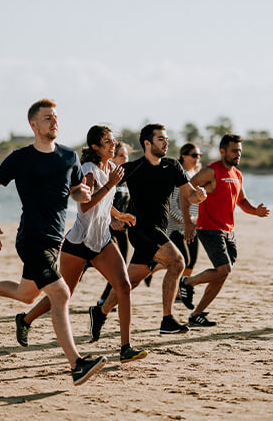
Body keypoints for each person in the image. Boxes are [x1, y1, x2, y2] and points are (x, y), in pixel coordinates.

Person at [0, 98, 106, 386]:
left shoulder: (69, 156)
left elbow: (77, 190)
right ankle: (77, 364)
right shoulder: (20, 158)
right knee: (61, 294)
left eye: (55, 117)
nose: (54, 121)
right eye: (48, 118)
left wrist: (83, 195)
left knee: (26, 295)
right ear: (34, 125)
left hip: (54, 240)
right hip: (31, 239)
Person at [14, 126, 148, 364]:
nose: (113, 144)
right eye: (107, 142)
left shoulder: (111, 169)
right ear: (96, 147)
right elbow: (85, 206)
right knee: (64, 293)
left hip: (102, 241)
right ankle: (25, 320)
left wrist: (118, 216)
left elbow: (103, 203)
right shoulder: (88, 170)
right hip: (78, 243)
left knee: (124, 286)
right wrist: (111, 185)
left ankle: (125, 347)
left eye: (113, 140)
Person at [88, 124, 207, 339]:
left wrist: (199, 195)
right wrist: (114, 216)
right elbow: (103, 192)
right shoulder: (133, 168)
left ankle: (100, 311)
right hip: (141, 229)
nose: (166, 142)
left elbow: (189, 195)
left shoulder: (172, 167)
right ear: (147, 143)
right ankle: (167, 319)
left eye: (166, 138)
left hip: (159, 229)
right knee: (178, 262)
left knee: (129, 283)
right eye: (161, 139)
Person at [178, 134, 270, 327]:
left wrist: (256, 211)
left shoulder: (237, 174)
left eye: (240, 151)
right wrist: (187, 222)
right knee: (224, 269)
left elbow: (242, 202)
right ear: (223, 151)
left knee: (222, 274)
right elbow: (185, 193)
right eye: (234, 151)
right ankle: (187, 283)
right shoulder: (210, 171)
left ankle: (197, 315)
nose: (238, 154)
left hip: (228, 230)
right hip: (209, 229)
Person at [166, 143, 204, 309]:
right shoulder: (178, 175)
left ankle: (180, 291)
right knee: (183, 260)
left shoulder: (196, 174)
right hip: (176, 227)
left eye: (199, 155)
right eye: (194, 155)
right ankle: (154, 268)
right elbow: (172, 207)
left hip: (193, 225)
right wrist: (187, 221)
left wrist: (197, 221)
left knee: (191, 262)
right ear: (184, 156)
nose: (197, 158)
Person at [96, 141, 133, 306]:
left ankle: (105, 299)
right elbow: (97, 201)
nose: (125, 159)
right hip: (103, 229)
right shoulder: (106, 177)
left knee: (120, 267)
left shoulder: (127, 179)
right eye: (121, 156)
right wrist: (111, 220)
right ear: (112, 158)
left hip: (121, 231)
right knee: (82, 266)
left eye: (127, 156)